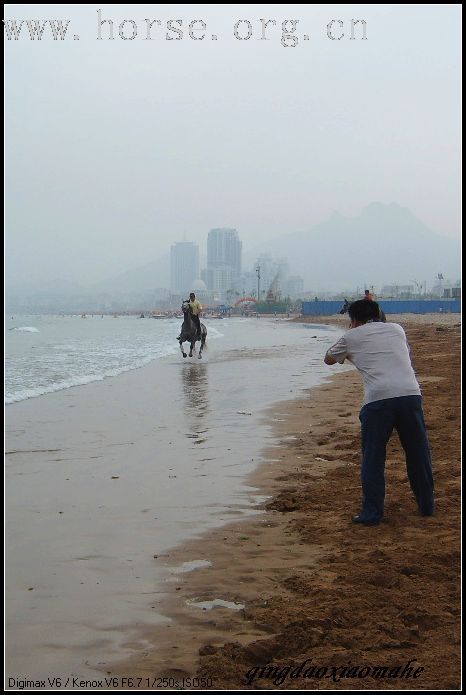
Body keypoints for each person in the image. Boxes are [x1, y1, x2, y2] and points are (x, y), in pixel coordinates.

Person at [324, 299, 434, 526]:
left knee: (374, 457)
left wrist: (352, 339)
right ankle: (426, 505)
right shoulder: (397, 329)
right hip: (410, 394)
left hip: (378, 399)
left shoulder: (350, 337)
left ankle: (372, 513)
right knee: (418, 452)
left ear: (353, 320)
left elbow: (328, 359)